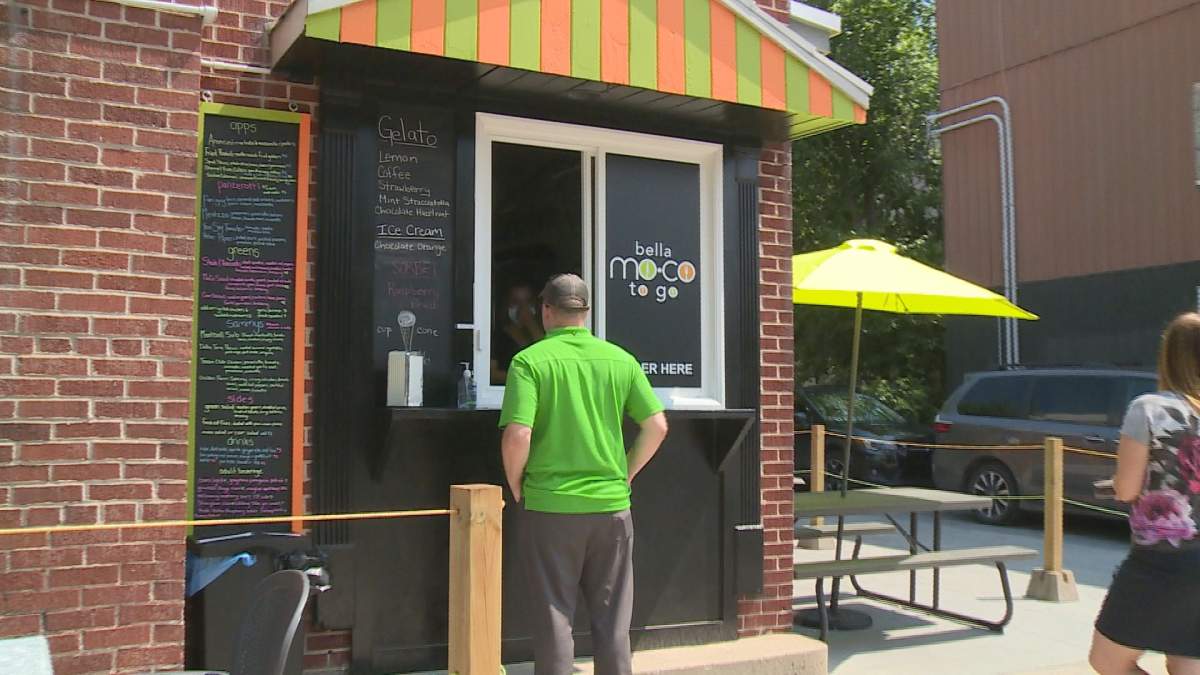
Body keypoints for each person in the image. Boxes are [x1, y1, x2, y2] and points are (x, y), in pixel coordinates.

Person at [498, 273, 668, 675]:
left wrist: (517, 483)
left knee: (554, 615)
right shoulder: (619, 359)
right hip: (611, 508)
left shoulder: (530, 361)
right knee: (613, 622)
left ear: (546, 311)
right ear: (586, 313)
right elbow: (657, 425)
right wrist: (625, 474)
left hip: (550, 507)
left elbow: (518, 433)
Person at [1090, 312, 1200, 675]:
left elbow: (1127, 488)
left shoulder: (1149, 409)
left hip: (1160, 563)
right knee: (1186, 663)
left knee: (1107, 660)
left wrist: (1119, 484)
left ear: (1168, 355)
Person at [491, 282, 544, 384]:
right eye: (515, 302)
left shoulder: (545, 332)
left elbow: (548, 355)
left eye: (528, 302)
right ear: (506, 305)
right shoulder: (498, 337)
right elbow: (492, 374)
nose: (523, 308)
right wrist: (526, 378)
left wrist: (531, 324)